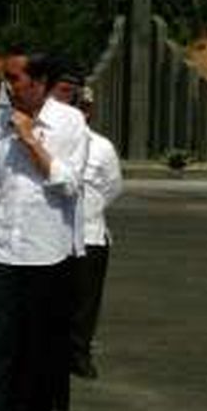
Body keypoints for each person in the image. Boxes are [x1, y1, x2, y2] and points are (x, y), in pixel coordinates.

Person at [0, 52, 89, 411]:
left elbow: (70, 184)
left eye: (14, 78)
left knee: (39, 350)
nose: (7, 85)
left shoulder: (70, 122)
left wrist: (29, 139)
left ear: (39, 83)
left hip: (46, 255)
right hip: (2, 251)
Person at [69, 86, 123, 380]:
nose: (81, 111)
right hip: (57, 236)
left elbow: (113, 187)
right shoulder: (51, 141)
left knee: (86, 302)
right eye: (75, 104)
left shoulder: (102, 147)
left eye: (85, 106)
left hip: (90, 234)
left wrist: (89, 209)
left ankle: (79, 353)